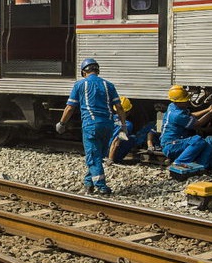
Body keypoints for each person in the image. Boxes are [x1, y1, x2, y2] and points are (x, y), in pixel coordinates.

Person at [55, 58, 126, 195]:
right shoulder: (109, 85)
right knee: (97, 155)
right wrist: (123, 125)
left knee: (93, 156)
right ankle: (88, 184)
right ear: (97, 71)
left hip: (91, 124)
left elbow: (70, 108)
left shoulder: (80, 85)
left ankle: (101, 187)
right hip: (108, 125)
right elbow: (119, 107)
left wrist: (62, 123)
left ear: (83, 72)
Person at [160, 85, 212, 169]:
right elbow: (198, 124)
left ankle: (201, 167)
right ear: (178, 102)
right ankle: (178, 163)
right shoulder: (176, 115)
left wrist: (208, 110)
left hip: (176, 143)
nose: (188, 101)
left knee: (207, 143)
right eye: (185, 100)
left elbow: (190, 116)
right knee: (198, 140)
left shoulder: (173, 106)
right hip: (171, 146)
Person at [105, 96, 156, 164]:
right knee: (133, 138)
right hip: (111, 153)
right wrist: (110, 159)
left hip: (101, 151)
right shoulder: (127, 125)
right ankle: (117, 159)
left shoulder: (108, 119)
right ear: (128, 111)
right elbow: (116, 141)